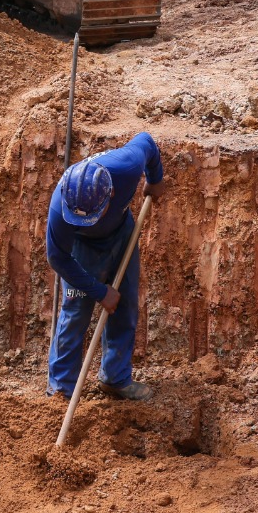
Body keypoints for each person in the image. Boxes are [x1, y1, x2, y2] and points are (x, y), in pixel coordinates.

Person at [45, 132, 163, 402]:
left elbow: (147, 141)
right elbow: (58, 259)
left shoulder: (127, 166)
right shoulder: (60, 209)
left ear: (110, 193)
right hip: (81, 249)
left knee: (126, 304)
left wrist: (156, 179)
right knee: (75, 311)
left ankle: (115, 379)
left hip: (122, 235)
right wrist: (99, 291)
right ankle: (61, 389)